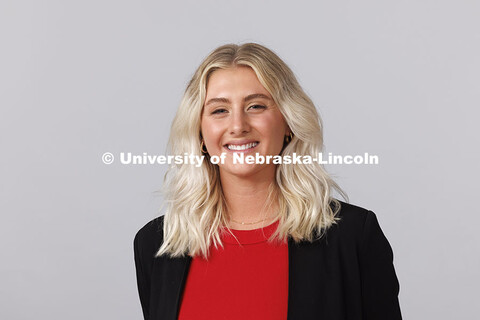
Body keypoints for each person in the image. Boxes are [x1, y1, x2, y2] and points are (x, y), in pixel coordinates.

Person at [133, 43, 402, 320]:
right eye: (219, 111)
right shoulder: (156, 244)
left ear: (288, 123)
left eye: (256, 106)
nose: (238, 125)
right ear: (199, 133)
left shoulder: (352, 236)